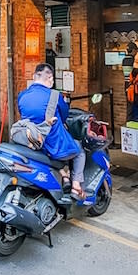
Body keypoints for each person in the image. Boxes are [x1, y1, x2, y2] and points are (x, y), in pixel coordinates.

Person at [18, 63, 86, 198]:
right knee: (79, 150)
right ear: (50, 79)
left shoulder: (22, 95)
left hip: (31, 140)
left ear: (34, 77)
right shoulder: (55, 95)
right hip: (51, 143)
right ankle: (76, 186)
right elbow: (64, 115)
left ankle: (63, 175)